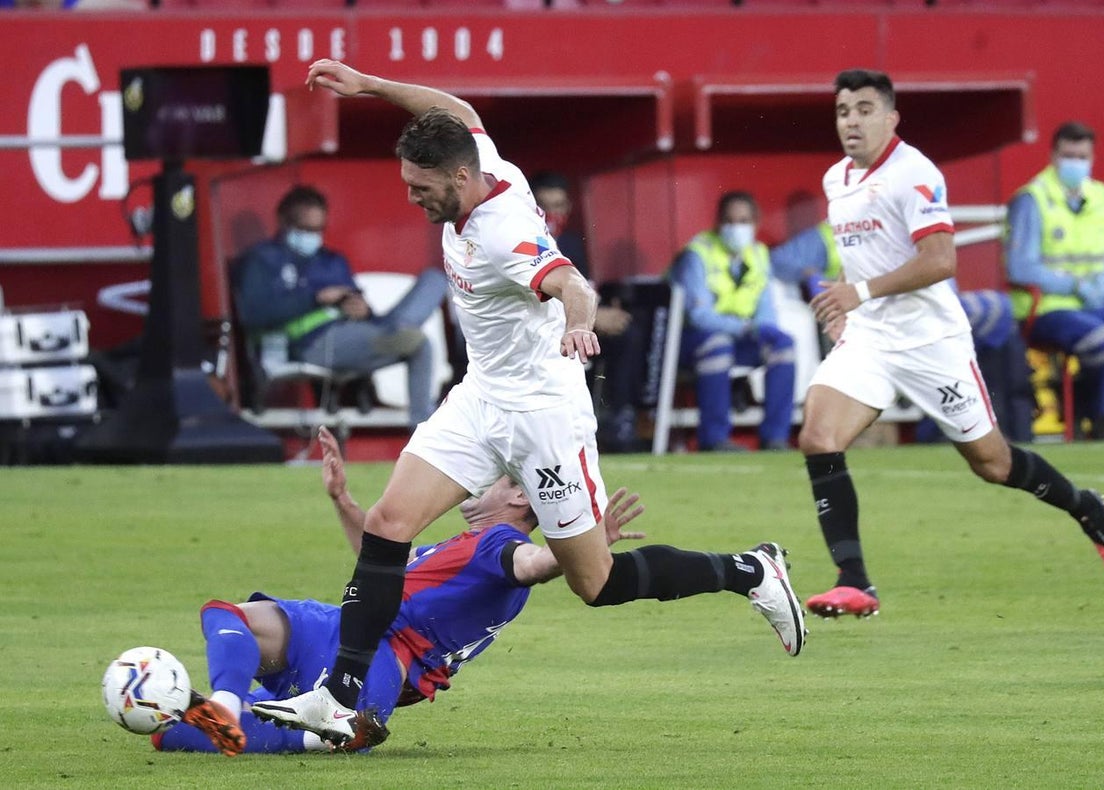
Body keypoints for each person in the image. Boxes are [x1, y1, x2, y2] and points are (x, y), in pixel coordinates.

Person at [250, 59, 807, 748]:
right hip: (482, 394)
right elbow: (455, 108)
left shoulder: (504, 232)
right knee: (389, 522)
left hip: (543, 414)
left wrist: (578, 323)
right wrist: (370, 86)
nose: (412, 198)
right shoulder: (479, 159)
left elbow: (571, 283)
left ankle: (750, 569)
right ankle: (337, 696)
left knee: (595, 582)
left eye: (421, 187)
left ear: (460, 178)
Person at [798, 69, 1104, 619]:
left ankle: (1086, 508)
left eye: (863, 110)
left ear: (891, 117)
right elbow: (861, 257)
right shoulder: (838, 179)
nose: (851, 121)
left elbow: (940, 261)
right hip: (871, 338)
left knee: (992, 464)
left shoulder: (914, 173)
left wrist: (860, 291)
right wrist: (845, 302)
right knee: (818, 436)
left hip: (933, 343)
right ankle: (855, 581)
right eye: (842, 111)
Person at [154, 427, 646, 756]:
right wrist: (343, 500)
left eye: (491, 477)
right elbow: (379, 565)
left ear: (520, 495)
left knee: (224, 656)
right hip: (348, 637)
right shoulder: (464, 547)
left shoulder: (500, 544)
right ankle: (236, 707)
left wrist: (584, 547)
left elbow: (534, 564)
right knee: (221, 628)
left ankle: (303, 731)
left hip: (377, 658)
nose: (475, 482)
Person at [769, 222, 1036, 443]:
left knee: (1000, 319)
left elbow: (942, 277)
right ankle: (946, 430)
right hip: (870, 323)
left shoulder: (914, 229)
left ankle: (1010, 426)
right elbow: (780, 262)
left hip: (922, 318)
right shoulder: (831, 234)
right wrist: (815, 278)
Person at [232, 185, 447, 426]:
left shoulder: (332, 261)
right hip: (313, 341)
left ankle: (399, 328)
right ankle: (422, 433)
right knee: (418, 343)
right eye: (305, 229)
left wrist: (363, 310)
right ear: (284, 222)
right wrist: (316, 299)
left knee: (435, 280)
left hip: (361, 329)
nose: (312, 236)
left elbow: (356, 301)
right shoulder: (263, 260)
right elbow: (254, 314)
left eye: (318, 229)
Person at [1004, 120, 1104, 440]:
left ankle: (1080, 393)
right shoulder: (1033, 198)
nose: (1075, 163)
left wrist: (1103, 286)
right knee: (1097, 337)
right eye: (1068, 156)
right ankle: (1099, 419)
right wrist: (1075, 285)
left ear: (1092, 158)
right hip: (1046, 310)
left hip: (1094, 306)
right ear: (1053, 156)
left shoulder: (1100, 196)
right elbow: (1019, 268)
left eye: (1082, 157)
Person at [668, 191, 796, 452]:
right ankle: (714, 438)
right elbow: (698, 316)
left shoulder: (758, 254)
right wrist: (746, 328)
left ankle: (775, 437)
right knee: (717, 344)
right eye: (730, 221)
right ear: (718, 223)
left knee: (783, 345)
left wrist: (764, 329)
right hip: (688, 340)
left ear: (755, 224)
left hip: (739, 337)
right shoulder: (698, 254)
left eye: (744, 221)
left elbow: (766, 308)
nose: (736, 227)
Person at [529, 171, 642, 452]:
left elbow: (583, 288)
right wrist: (594, 318)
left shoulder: (570, 244)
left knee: (627, 333)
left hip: (574, 326)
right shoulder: (522, 242)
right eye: (545, 206)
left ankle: (619, 419)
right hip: (536, 329)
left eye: (559, 206)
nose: (553, 214)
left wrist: (599, 314)